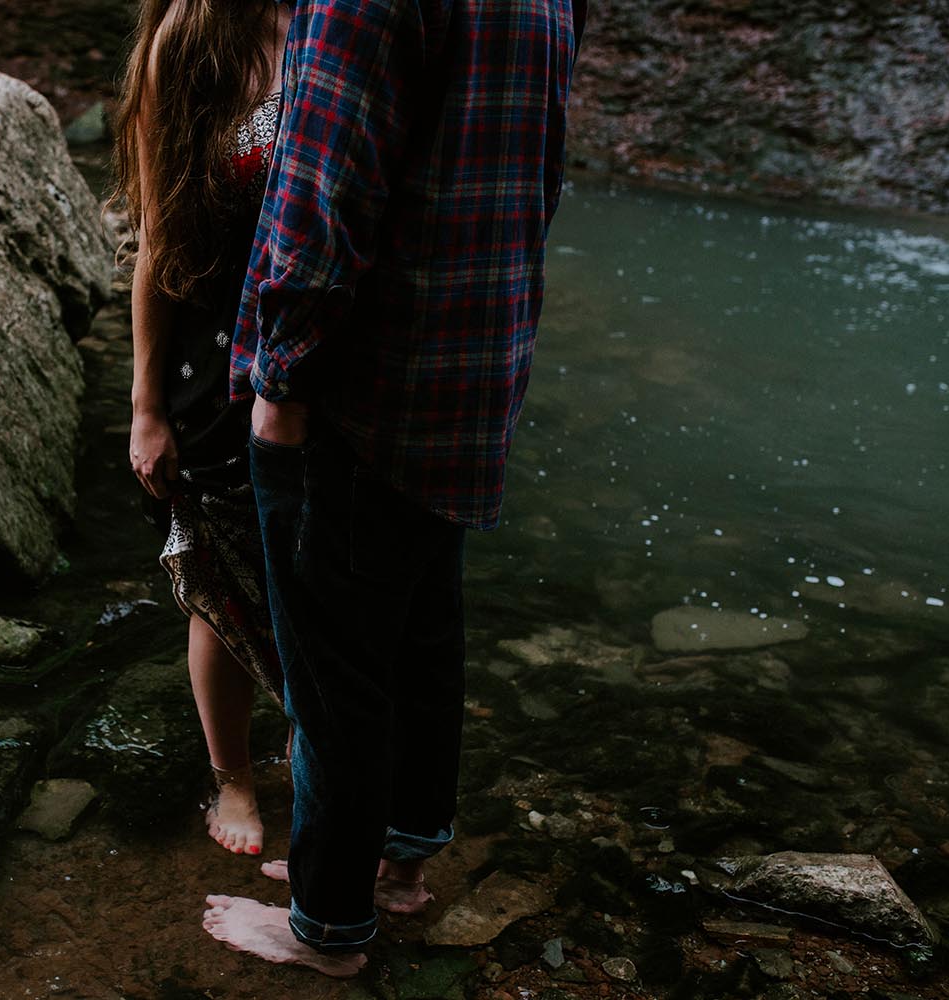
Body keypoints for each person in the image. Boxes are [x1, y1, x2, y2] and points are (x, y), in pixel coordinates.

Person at [201, 0, 586, 977]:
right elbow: (539, 167)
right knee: (422, 633)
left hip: (363, 384)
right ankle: (403, 854)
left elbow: (320, 193)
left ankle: (324, 926)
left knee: (335, 677)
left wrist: (279, 379)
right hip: (474, 363)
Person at [112, 0, 294, 857]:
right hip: (213, 358)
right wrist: (146, 407)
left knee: (314, 566)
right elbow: (156, 235)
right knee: (221, 578)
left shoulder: (336, 19)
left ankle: (315, 739)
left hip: (312, 355)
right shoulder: (189, 35)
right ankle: (234, 778)